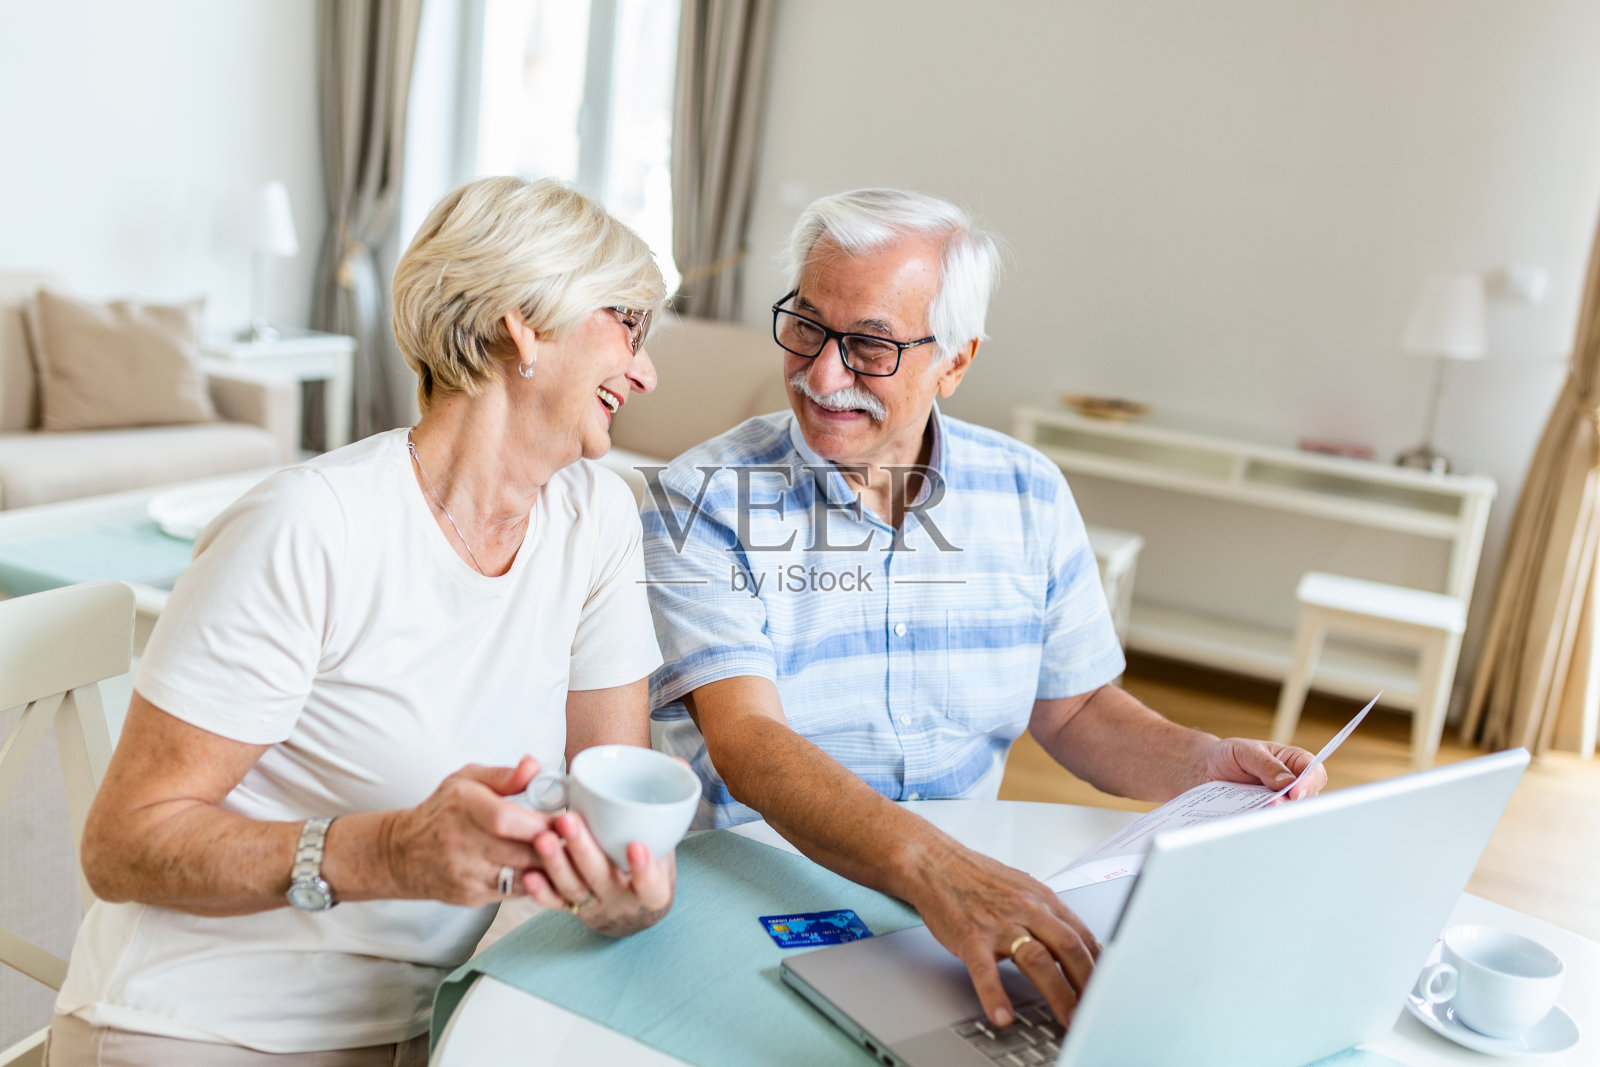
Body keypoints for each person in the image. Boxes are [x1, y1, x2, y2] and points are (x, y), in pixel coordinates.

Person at [640, 188, 1329, 1032]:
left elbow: (1075, 710)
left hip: (967, 900)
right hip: (772, 895)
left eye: (869, 347)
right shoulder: (701, 499)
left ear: (956, 363)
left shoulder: (1028, 493)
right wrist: (940, 871)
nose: (822, 375)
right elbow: (748, 742)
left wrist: (1214, 764)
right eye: (808, 327)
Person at [47, 176, 673, 1065]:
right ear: (524, 320)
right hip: (199, 1024)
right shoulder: (309, 528)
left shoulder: (599, 522)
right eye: (629, 325)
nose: (646, 370)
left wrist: (623, 885)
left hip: (427, 1026)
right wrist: (385, 852)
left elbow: (624, 801)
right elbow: (122, 843)